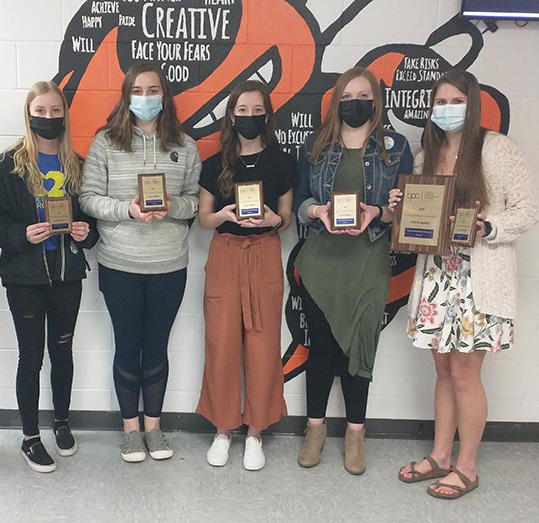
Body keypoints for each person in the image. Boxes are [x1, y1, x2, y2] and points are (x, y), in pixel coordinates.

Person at [393, 70, 538, 499]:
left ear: (472, 104)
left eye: (456, 101)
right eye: (441, 102)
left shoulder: (497, 148)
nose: (448, 109)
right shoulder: (427, 154)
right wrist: (400, 208)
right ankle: (440, 455)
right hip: (437, 277)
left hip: (479, 278)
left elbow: (528, 209)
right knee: (442, 370)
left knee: (464, 374)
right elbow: (421, 217)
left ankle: (467, 467)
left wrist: (488, 226)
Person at [293, 67, 413, 475]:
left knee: (360, 350)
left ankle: (355, 434)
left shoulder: (395, 147)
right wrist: (317, 211)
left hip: (369, 260)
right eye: (346, 97)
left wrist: (380, 212)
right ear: (336, 102)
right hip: (320, 262)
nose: (354, 104)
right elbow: (301, 200)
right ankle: (314, 429)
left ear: (376, 101)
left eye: (363, 97)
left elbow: (403, 211)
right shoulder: (315, 145)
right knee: (321, 349)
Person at [80, 63, 200, 463]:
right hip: (120, 264)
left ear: (165, 96)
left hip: (169, 265)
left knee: (157, 348)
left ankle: (154, 427)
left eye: (153, 90)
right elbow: (88, 198)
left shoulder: (185, 145)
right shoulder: (106, 143)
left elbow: (195, 201)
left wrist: (173, 206)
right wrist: (127, 210)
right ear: (126, 95)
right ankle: (130, 430)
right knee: (127, 346)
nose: (145, 98)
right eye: (138, 90)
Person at [0, 81, 98, 473]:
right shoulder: (9, 164)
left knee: (62, 352)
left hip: (67, 275)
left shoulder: (78, 164)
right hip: (25, 278)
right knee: (30, 356)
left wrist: (85, 232)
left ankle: (61, 422)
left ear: (65, 114)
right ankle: (30, 437)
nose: (48, 118)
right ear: (29, 115)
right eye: (41, 111)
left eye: (55, 111)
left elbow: (93, 219)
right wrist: (19, 234)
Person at [195, 80, 294, 471]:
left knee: (263, 345)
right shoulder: (214, 163)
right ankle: (223, 429)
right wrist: (223, 215)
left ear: (267, 116)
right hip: (225, 253)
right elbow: (204, 219)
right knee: (221, 344)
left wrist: (274, 220)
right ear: (231, 116)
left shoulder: (283, 162)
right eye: (242, 110)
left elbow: (286, 217)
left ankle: (255, 431)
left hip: (265, 252)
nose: (249, 117)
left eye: (257, 110)